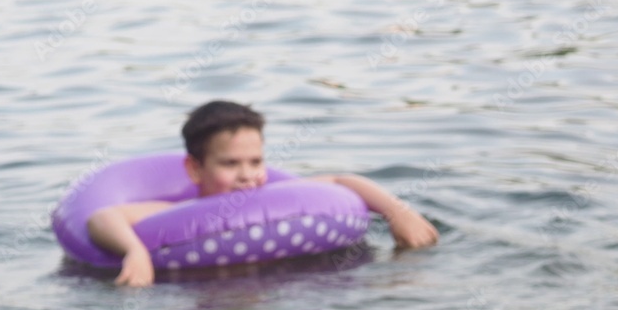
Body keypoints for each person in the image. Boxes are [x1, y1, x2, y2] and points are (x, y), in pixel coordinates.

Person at [87, 101, 439, 287]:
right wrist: (136, 252)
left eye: (256, 161)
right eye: (230, 164)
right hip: (204, 291)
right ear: (195, 169)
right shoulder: (183, 210)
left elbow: (339, 180)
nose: (247, 176)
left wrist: (399, 213)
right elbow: (103, 217)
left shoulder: (276, 196)